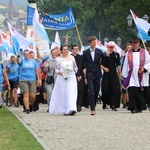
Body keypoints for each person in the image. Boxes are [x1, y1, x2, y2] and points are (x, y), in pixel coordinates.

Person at [77, 36, 110, 115]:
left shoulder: (99, 51)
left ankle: (94, 103)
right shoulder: (85, 52)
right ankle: (92, 108)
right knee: (91, 91)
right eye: (93, 42)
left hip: (97, 74)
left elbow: (105, 59)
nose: (95, 44)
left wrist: (108, 55)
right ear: (89, 43)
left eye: (95, 42)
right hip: (89, 74)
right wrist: (78, 74)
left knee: (96, 91)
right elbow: (81, 64)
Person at [122, 37, 150, 113]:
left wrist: (144, 69)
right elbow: (126, 64)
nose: (134, 44)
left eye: (136, 43)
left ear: (139, 43)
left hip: (141, 74)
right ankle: (133, 107)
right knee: (132, 90)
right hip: (132, 75)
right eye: (133, 43)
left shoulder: (144, 52)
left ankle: (140, 106)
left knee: (140, 91)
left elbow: (149, 62)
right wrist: (125, 75)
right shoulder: (129, 53)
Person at [49, 45, 77, 115]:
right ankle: (65, 109)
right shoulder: (58, 59)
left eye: (67, 49)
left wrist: (74, 72)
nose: (66, 51)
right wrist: (60, 72)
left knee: (70, 92)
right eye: (64, 49)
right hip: (62, 78)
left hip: (71, 77)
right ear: (61, 51)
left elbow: (75, 67)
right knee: (64, 93)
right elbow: (56, 69)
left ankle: (72, 108)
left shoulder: (72, 58)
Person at [17, 49, 41, 114]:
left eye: (28, 54)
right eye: (25, 54)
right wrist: (18, 56)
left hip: (32, 79)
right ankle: (27, 109)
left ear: (30, 55)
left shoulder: (33, 61)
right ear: (24, 55)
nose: (26, 55)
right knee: (25, 94)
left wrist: (39, 79)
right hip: (23, 79)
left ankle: (30, 104)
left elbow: (37, 70)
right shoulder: (22, 60)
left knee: (33, 95)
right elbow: (18, 62)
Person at [101, 41, 121, 111]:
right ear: (107, 47)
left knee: (115, 89)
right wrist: (104, 68)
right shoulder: (103, 54)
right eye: (110, 47)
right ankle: (105, 102)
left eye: (112, 47)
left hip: (114, 73)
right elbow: (100, 64)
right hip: (106, 73)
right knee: (105, 89)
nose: (111, 48)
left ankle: (113, 104)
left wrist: (119, 74)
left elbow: (118, 65)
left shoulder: (116, 54)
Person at [71, 44, 85, 112]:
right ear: (72, 50)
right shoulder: (70, 57)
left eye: (77, 49)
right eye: (75, 49)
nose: (76, 50)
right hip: (72, 75)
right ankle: (73, 104)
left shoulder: (81, 57)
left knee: (80, 90)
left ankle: (79, 104)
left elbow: (84, 68)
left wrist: (85, 77)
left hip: (80, 75)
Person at [121, 43, 132, 108]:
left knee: (129, 88)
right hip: (124, 74)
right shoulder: (124, 56)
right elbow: (120, 64)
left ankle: (129, 102)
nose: (129, 48)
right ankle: (124, 102)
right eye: (128, 47)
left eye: (130, 47)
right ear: (126, 48)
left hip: (131, 74)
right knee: (124, 89)